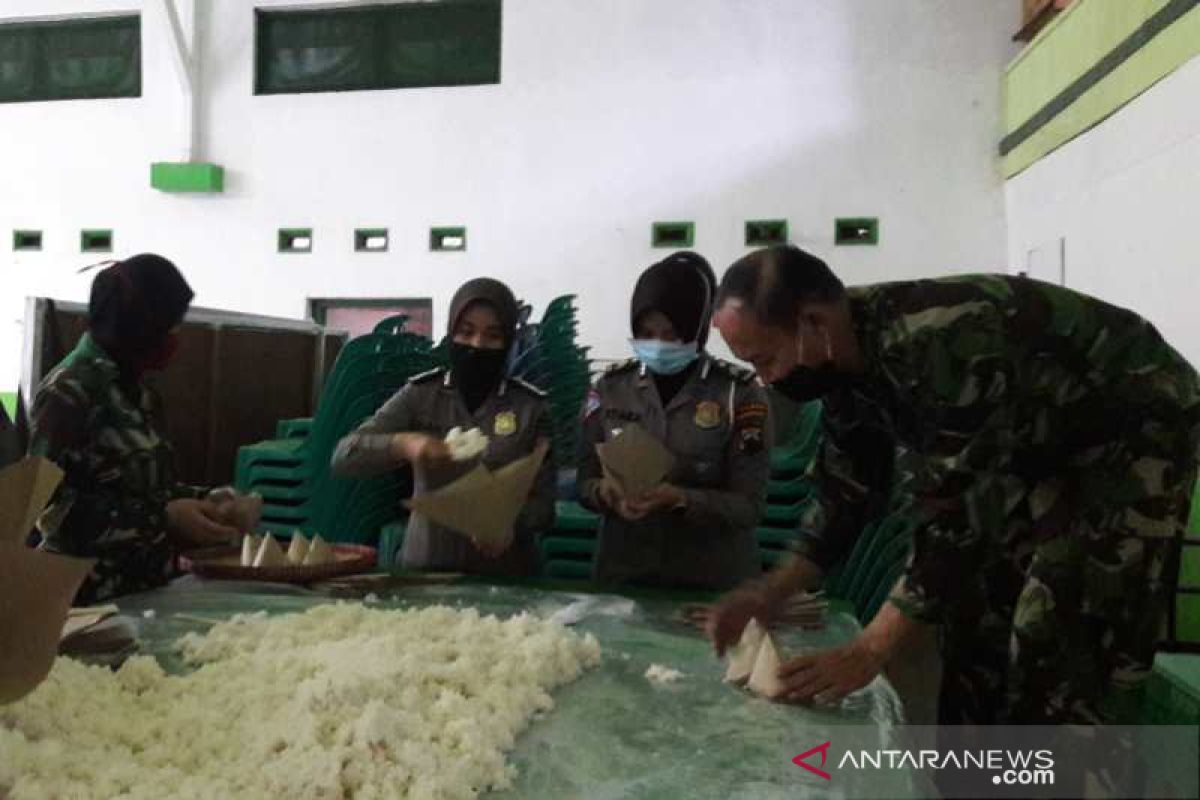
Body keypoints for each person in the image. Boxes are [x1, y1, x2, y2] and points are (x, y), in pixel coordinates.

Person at [707, 244, 1200, 725]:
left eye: (765, 360)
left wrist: (871, 649)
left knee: (1060, 635)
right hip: (1031, 450)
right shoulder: (840, 366)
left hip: (1129, 438)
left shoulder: (945, 342)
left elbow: (958, 516)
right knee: (971, 624)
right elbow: (846, 491)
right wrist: (770, 592)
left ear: (814, 322)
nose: (766, 381)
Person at [30, 254, 241, 604]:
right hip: (82, 603)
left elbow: (148, 489)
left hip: (144, 594)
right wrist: (162, 519)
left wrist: (211, 502)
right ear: (140, 327)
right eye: (169, 326)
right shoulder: (69, 392)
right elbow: (48, 512)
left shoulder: (138, 392)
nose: (176, 337)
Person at [331, 277, 554, 575]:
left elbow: (545, 508)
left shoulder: (530, 406)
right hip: (426, 570)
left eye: (492, 335)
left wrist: (510, 525)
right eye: (466, 332)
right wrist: (404, 445)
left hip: (505, 576)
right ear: (451, 334)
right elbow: (344, 456)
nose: (477, 344)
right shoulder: (421, 394)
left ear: (508, 342)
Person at [577, 252, 771, 590]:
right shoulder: (610, 389)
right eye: (647, 332)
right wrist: (606, 493)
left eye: (672, 334)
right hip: (624, 576)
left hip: (710, 582)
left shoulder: (738, 394)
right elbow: (584, 480)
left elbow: (749, 507)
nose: (658, 345)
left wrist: (681, 498)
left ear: (697, 328)